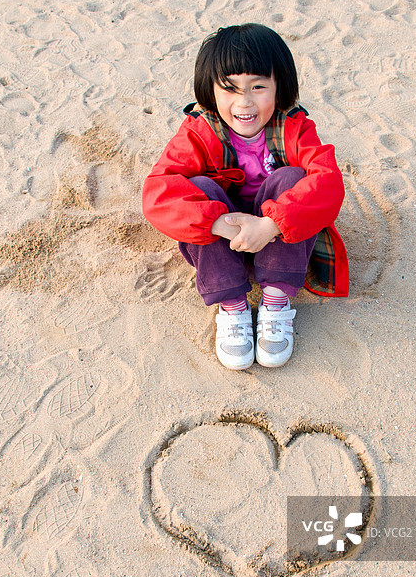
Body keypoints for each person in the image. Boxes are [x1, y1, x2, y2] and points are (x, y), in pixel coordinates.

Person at [142, 23, 348, 370]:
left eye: (258, 87)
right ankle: (233, 305)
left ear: (279, 86)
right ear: (211, 90)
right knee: (200, 189)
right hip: (224, 242)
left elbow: (328, 182)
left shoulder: (294, 127)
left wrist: (270, 225)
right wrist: (218, 223)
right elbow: (157, 193)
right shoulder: (199, 131)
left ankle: (275, 301)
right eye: (230, 89)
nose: (245, 102)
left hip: (279, 240)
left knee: (292, 177)